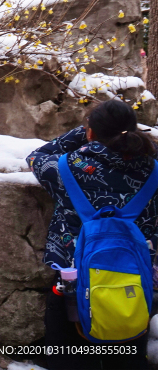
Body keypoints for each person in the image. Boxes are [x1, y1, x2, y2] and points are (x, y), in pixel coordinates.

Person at [27, 99, 158, 370]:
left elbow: (35, 157)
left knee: (68, 359)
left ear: (90, 132)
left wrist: (81, 131)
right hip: (136, 287)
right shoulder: (154, 169)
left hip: (73, 286)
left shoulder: (67, 168)